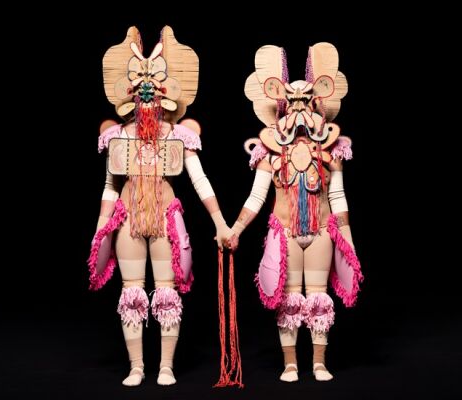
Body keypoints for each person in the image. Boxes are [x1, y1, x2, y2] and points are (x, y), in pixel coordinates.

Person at [88, 26, 233, 387]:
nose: (147, 91)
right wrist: (101, 226)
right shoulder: (119, 136)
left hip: (166, 219)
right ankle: (137, 366)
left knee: (167, 292)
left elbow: (199, 180)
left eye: (154, 84)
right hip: (129, 220)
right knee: (131, 291)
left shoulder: (177, 136)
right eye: (140, 85)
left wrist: (220, 222)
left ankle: (166, 365)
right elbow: (110, 185)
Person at [224, 43, 363, 382]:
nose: (300, 109)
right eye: (293, 101)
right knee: (288, 299)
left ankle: (319, 362)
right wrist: (235, 229)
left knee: (317, 295)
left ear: (317, 103)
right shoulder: (269, 152)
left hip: (321, 232)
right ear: (281, 104)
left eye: (306, 100)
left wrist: (348, 241)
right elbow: (257, 196)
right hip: (285, 232)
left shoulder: (332, 151)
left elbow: (338, 197)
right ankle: (290, 363)